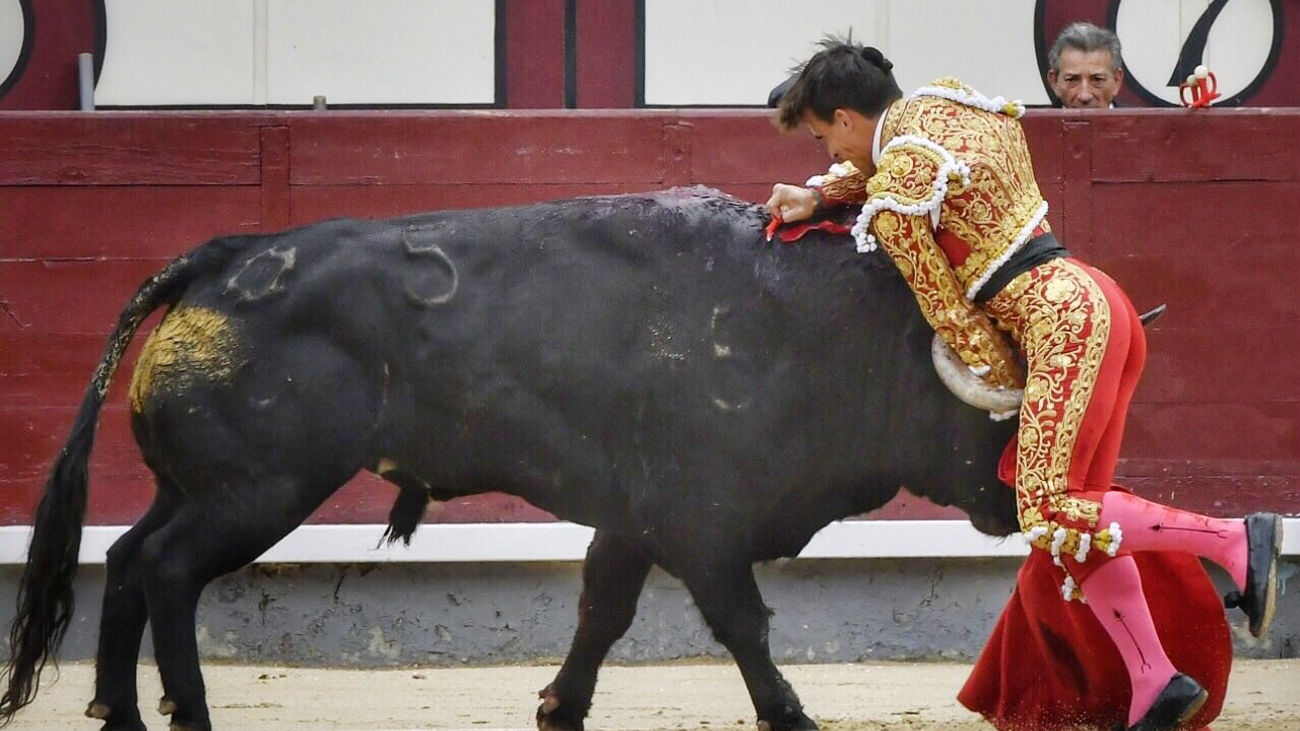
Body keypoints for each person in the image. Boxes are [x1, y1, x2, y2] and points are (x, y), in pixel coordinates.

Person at [765, 39, 1282, 731]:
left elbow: (950, 314)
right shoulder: (947, 104)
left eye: (826, 136)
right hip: (1099, 300)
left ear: (848, 119)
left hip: (1057, 328)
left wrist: (1010, 385)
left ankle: (1235, 540)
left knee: (1048, 510)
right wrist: (823, 190)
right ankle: (1155, 679)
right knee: (1073, 519)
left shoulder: (895, 200)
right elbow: (909, 170)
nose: (831, 150)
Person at [1048, 21, 1125, 108]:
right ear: (1054, 82)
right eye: (1072, 80)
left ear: (1117, 81)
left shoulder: (1140, 121)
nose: (1085, 96)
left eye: (1097, 80)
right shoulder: (1035, 122)